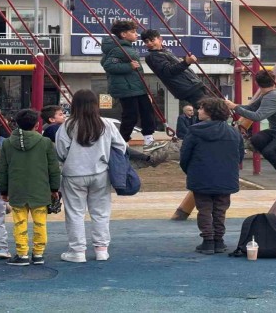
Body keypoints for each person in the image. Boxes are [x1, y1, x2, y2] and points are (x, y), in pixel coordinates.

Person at [55, 89, 127, 263]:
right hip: (100, 172)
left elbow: (61, 152)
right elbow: (121, 146)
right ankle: (102, 249)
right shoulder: (106, 124)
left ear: (75, 105)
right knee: (101, 212)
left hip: (73, 174)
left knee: (75, 213)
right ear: (95, 105)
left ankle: (77, 251)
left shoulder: (67, 126)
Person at [179, 97, 243, 255]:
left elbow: (185, 156)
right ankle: (219, 240)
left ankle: (208, 241)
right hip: (226, 176)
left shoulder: (195, 131)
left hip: (201, 175)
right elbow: (239, 156)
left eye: (201, 108)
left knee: (204, 209)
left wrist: (191, 171)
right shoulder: (234, 132)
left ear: (209, 112)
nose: (198, 111)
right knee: (220, 209)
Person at [0, 108, 60, 266]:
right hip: (40, 190)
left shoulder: (7, 143)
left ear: (17, 124)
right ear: (37, 124)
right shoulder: (45, 142)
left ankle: (22, 254)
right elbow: (53, 168)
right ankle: (38, 254)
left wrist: (3, 189)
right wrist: (54, 188)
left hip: (17, 190)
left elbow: (2, 169)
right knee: (40, 223)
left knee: (19, 223)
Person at [225, 70, 276, 188]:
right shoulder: (268, 94)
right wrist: (232, 106)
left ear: (256, 83)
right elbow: (251, 108)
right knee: (256, 139)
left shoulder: (273, 97)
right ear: (274, 81)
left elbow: (257, 116)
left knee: (268, 152)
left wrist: (235, 107)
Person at [101, 20, 164, 152]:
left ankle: (148, 139)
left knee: (147, 111)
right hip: (126, 88)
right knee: (131, 115)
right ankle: (121, 142)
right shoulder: (118, 49)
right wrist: (128, 66)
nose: (136, 34)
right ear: (124, 34)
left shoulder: (127, 47)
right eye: (133, 32)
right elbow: (108, 65)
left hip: (136, 87)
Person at [141, 29, 209, 108]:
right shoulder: (153, 56)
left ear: (160, 39)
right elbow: (168, 71)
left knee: (210, 108)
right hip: (188, 88)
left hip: (193, 85)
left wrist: (183, 62)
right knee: (209, 109)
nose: (149, 43)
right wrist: (186, 62)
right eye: (146, 41)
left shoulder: (164, 52)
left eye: (152, 40)